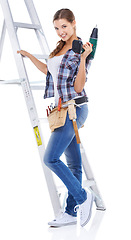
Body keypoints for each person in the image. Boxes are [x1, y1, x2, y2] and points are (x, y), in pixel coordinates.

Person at [17, 8, 93, 227]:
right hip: (61, 110)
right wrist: (30, 56)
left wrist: (83, 59)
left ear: (74, 23)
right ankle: (70, 212)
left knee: (50, 158)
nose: (61, 32)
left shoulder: (83, 49)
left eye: (64, 27)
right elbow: (50, 73)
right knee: (74, 165)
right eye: (57, 28)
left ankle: (82, 197)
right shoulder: (60, 48)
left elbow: (79, 86)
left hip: (74, 109)